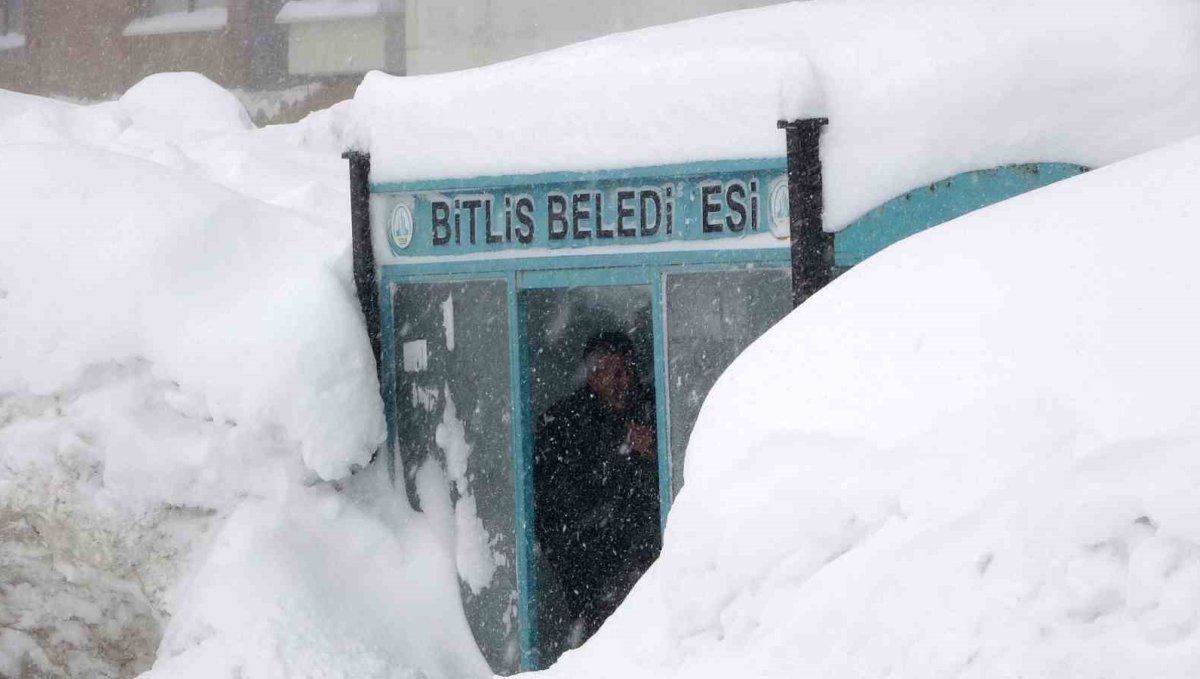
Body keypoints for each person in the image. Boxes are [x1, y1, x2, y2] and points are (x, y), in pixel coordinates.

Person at [534, 331, 661, 643]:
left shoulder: (655, 408)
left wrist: (654, 453)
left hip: (649, 559)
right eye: (613, 373)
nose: (624, 382)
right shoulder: (565, 424)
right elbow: (563, 501)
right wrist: (621, 453)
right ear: (593, 375)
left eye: (628, 371)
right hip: (591, 569)